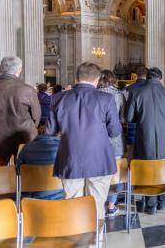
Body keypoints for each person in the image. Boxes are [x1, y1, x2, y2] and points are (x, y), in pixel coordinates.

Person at [46, 62, 122, 220]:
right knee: (96, 206)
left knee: (73, 205)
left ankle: (77, 242)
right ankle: (96, 243)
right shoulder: (106, 99)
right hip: (99, 159)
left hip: (70, 159)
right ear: (97, 80)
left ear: (76, 78)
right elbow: (115, 131)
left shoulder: (58, 98)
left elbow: (49, 131)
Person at [127, 67, 165, 214]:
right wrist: (162, 121)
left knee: (147, 164)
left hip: (144, 135)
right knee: (162, 164)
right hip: (164, 135)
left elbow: (130, 118)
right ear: (160, 78)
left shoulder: (136, 92)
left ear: (147, 77)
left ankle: (150, 205)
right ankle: (162, 202)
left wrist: (144, 119)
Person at [0, 57, 41, 166]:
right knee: (25, 173)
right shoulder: (28, 89)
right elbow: (36, 117)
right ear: (19, 71)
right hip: (23, 140)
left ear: (0, 68)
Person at [97, 69, 127, 217]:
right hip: (115, 140)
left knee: (98, 173)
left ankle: (99, 203)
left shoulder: (93, 94)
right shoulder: (119, 95)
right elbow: (123, 118)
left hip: (97, 139)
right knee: (117, 173)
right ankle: (111, 205)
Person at [16, 124, 64, 200]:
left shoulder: (26, 148)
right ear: (58, 134)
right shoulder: (65, 150)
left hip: (30, 202)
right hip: (61, 201)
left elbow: (18, 174)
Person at [125, 67, 148, 145]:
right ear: (147, 75)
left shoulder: (127, 89)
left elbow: (124, 105)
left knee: (132, 146)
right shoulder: (151, 89)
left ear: (136, 75)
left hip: (132, 121)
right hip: (147, 121)